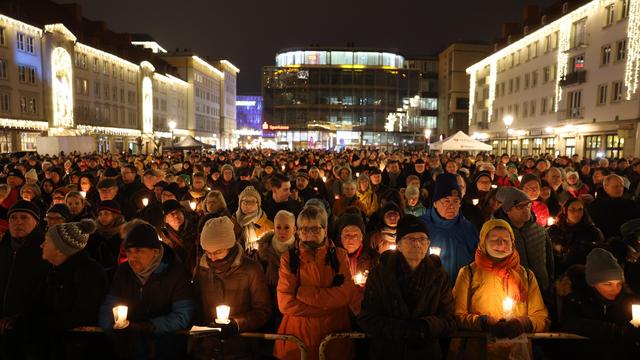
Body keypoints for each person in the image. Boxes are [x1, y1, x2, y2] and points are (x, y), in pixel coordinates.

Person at [358, 215, 456, 359]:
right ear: (398, 245)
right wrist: (401, 330)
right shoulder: (380, 275)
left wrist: (426, 326)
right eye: (411, 239)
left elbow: (449, 320)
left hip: (426, 354)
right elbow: (367, 318)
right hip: (387, 352)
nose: (417, 244)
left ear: (428, 244)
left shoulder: (439, 276)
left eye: (422, 239)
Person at [451, 219, 550, 359]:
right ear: (483, 242)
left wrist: (523, 323)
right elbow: (456, 315)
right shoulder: (468, 273)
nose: (501, 243)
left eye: (506, 239)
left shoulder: (526, 275)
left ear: (512, 242)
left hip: (516, 352)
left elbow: (541, 317)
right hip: (479, 351)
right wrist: (484, 322)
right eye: (494, 239)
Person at [99, 221, 194, 360]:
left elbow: (183, 314)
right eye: (129, 251)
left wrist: (148, 328)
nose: (132, 257)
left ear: (155, 251)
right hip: (130, 349)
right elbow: (109, 304)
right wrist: (113, 329)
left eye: (139, 251)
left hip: (165, 348)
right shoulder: (123, 271)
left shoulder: (175, 272)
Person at [275, 205, 356, 360]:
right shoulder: (289, 259)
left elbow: (346, 294)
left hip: (333, 338)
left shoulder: (339, 256)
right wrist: (329, 306)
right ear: (298, 231)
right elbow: (285, 303)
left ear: (325, 230)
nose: (309, 234)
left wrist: (304, 293)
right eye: (304, 229)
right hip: (298, 338)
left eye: (314, 229)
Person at [191, 216, 272, 359]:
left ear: (230, 245)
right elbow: (196, 307)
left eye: (217, 252)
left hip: (241, 349)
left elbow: (262, 310)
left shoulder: (251, 270)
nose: (212, 257)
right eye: (208, 252)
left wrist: (237, 324)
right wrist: (198, 338)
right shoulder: (201, 270)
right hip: (208, 348)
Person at [36, 219, 108, 359]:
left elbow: (81, 316)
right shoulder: (54, 271)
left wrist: (40, 326)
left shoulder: (89, 273)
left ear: (60, 248)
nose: (41, 245)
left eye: (47, 241)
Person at [561, 248, 640, 359]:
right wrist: (617, 332)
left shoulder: (630, 301)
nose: (615, 289)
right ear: (593, 283)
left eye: (619, 284)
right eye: (608, 284)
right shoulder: (577, 300)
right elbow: (571, 323)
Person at [421, 173, 479, 285]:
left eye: (456, 201)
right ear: (435, 203)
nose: (451, 206)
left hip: (461, 289)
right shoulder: (421, 227)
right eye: (446, 201)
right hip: (429, 291)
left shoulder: (468, 228)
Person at [495, 187, 554, 294]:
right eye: (520, 207)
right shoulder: (498, 234)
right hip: (514, 292)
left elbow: (549, 259)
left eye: (528, 205)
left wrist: (550, 282)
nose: (526, 209)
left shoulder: (539, 230)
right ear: (507, 210)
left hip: (542, 288)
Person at [255, 210, 297, 329]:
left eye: (286, 227)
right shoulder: (263, 253)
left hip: (292, 305)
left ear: (294, 229)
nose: (282, 231)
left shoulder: (301, 252)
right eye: (278, 227)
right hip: (270, 306)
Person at [548, 197, 606, 277]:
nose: (576, 213)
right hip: (558, 273)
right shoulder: (554, 229)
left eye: (580, 209)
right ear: (565, 210)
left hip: (581, 274)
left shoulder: (592, 232)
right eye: (572, 209)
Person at [589, 174, 640, 239]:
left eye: (621, 186)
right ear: (605, 187)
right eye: (616, 186)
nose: (620, 189)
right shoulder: (597, 205)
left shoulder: (629, 202)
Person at [86, 200, 126, 277]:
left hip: (117, 274)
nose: (102, 217)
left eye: (106, 213)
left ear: (115, 215)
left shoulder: (123, 234)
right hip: (96, 274)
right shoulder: (94, 233)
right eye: (100, 214)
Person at [233, 186, 273, 254]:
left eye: (252, 202)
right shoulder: (231, 224)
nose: (248, 205)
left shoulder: (269, 227)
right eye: (245, 201)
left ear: (258, 204)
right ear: (239, 204)